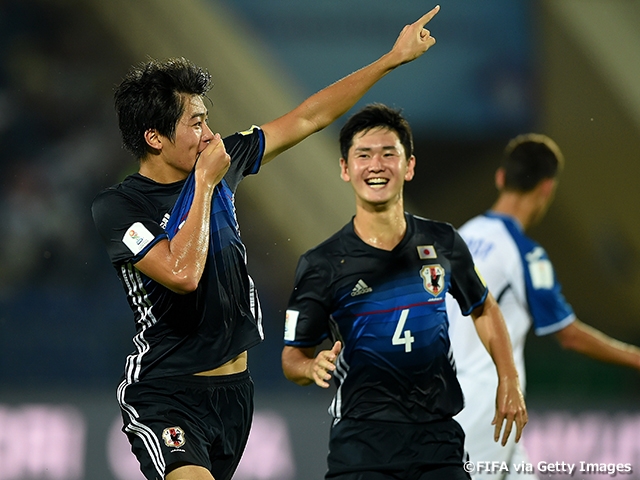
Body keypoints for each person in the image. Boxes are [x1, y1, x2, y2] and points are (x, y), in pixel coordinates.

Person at [91, 7, 442, 480]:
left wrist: (390, 60)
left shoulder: (220, 160)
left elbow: (309, 117)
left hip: (236, 392)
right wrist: (205, 184)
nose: (210, 135)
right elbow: (181, 274)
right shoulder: (120, 207)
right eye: (195, 124)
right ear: (154, 137)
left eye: (207, 120)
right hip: (164, 393)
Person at [281, 104, 528, 480]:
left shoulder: (442, 241)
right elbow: (291, 357)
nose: (376, 165)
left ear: (409, 166)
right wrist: (311, 366)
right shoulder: (322, 263)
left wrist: (508, 378)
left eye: (388, 153)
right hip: (362, 446)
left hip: (438, 441)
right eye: (363, 155)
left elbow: (483, 308)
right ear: (346, 169)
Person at [446, 133, 640, 480]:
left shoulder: (461, 236)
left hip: (453, 394)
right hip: (490, 404)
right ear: (547, 188)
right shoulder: (524, 252)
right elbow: (568, 335)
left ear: (501, 177)